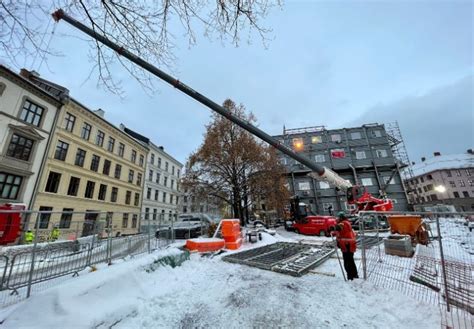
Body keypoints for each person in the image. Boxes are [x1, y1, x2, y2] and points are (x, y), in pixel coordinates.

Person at [333, 211, 359, 280]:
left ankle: (351, 277)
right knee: (350, 261)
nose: (337, 218)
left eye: (338, 217)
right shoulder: (346, 222)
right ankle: (354, 275)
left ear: (341, 217)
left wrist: (333, 227)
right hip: (348, 245)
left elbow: (339, 227)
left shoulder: (343, 223)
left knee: (347, 262)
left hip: (347, 246)